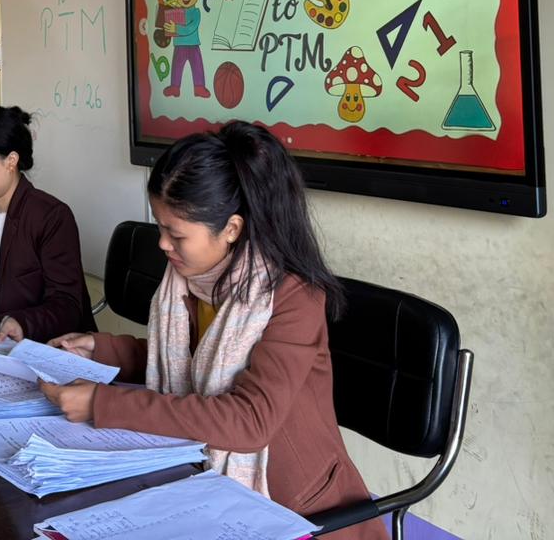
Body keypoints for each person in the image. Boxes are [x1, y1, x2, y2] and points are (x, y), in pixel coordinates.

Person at [40, 123, 385, 539]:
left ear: (232, 229)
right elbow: (188, 359)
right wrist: (102, 349)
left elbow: (250, 420)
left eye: (176, 233)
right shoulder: (192, 280)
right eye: (161, 227)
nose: (163, 244)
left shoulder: (292, 297)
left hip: (297, 507)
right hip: (202, 474)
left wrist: (104, 403)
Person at [0, 105, 96, 343]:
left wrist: (21, 324)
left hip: (54, 349)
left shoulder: (51, 216)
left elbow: (68, 306)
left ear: (11, 161)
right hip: (1, 350)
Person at [163, 0, 209, 99]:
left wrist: (176, 28)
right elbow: (168, 27)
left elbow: (191, 28)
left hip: (193, 44)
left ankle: (199, 87)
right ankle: (175, 87)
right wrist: (166, 25)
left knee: (197, 65)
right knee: (177, 66)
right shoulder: (176, 11)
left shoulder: (196, 12)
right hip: (179, 45)